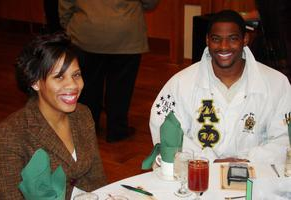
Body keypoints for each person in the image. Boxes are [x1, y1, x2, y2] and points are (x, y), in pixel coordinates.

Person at [149, 10, 291, 164]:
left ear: (245, 39)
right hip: (197, 173)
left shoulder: (277, 83)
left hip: (257, 175)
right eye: (216, 39)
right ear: (207, 40)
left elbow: (284, 139)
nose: (224, 46)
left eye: (233, 39)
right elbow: (164, 130)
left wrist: (247, 161)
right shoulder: (181, 83)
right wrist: (208, 161)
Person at [0, 33, 106, 199]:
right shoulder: (10, 135)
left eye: (76, 75)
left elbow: (97, 178)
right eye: (59, 77)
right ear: (35, 82)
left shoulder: (82, 114)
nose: (73, 85)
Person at [59, 0, 160, 142]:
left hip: (86, 33)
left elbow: (65, 5)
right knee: (121, 87)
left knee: (87, 86)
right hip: (125, 33)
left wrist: (68, 26)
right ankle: (117, 130)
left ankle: (88, 127)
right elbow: (150, 3)